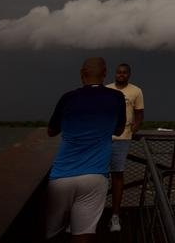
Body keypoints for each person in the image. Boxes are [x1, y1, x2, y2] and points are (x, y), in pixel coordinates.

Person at [46, 57, 126, 241]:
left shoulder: (68, 98)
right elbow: (119, 130)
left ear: (82, 74)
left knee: (54, 233)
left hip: (61, 176)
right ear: (105, 74)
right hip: (95, 176)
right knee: (83, 234)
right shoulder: (116, 97)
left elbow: (51, 131)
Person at [106, 63, 144, 233]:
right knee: (97, 176)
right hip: (103, 138)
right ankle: (90, 213)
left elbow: (139, 114)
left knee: (117, 175)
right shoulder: (106, 89)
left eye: (124, 73)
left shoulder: (136, 91)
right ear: (115, 74)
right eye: (118, 72)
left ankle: (115, 215)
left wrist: (133, 129)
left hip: (122, 139)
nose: (121, 75)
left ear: (129, 75)